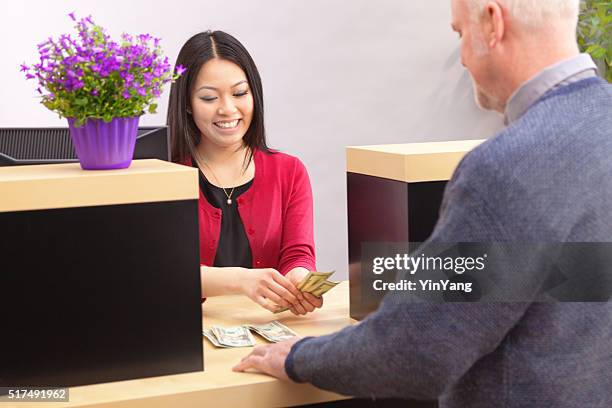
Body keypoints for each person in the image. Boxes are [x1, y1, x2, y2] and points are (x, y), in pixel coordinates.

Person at [233, 0, 612, 406]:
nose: (463, 58)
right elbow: (568, 279)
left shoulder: (504, 168)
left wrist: (299, 356)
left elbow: (413, 352)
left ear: (491, 22)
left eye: (459, 33)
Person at [167, 31, 322, 315]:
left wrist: (299, 279)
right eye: (209, 97)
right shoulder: (164, 176)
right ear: (187, 103)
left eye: (240, 93)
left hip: (267, 330)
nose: (228, 109)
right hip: (186, 334)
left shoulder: (289, 171)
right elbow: (163, 272)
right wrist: (240, 280)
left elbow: (297, 255)